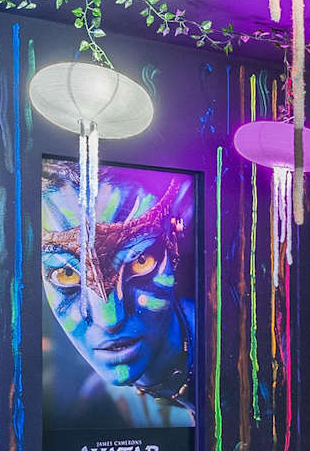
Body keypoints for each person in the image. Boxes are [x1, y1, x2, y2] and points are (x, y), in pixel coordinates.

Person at [40, 161, 196, 427]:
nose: (109, 318)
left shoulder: (242, 363)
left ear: (175, 234)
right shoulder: (96, 405)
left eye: (141, 261)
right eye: (67, 274)